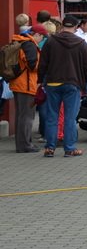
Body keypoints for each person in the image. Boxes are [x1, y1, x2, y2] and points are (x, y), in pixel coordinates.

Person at [37, 15, 87, 157]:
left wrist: (39, 79)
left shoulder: (50, 41)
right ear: (75, 27)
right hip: (73, 83)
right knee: (70, 117)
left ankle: (50, 148)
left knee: (52, 117)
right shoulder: (81, 44)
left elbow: (43, 63)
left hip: (52, 83)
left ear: (62, 26)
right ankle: (69, 148)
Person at [9, 23, 46, 152]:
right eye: (42, 37)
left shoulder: (20, 41)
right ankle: (25, 145)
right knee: (27, 116)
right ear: (37, 35)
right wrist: (42, 66)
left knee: (21, 115)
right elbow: (32, 65)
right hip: (27, 85)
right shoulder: (30, 45)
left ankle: (22, 144)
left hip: (18, 84)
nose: (42, 40)